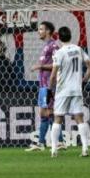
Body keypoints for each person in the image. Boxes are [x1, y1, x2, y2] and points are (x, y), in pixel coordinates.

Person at [49, 26, 90, 158]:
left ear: (59, 38)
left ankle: (53, 150)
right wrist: (83, 81)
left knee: (57, 118)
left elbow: (53, 75)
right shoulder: (79, 49)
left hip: (63, 90)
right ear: (70, 36)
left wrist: (48, 89)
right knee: (79, 118)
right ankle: (85, 149)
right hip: (76, 89)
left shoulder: (60, 52)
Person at [27, 21, 62, 151]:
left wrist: (40, 66)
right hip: (43, 85)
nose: (39, 31)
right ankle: (53, 142)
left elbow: (57, 65)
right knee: (45, 112)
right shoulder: (46, 46)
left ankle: (50, 142)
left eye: (41, 29)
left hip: (49, 84)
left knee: (47, 112)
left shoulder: (53, 46)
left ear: (48, 31)